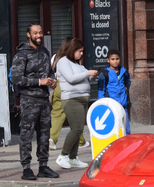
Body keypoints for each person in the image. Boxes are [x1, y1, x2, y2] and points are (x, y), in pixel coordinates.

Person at [10, 23, 60, 180]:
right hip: (29, 101)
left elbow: (50, 72)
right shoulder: (21, 55)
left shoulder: (44, 52)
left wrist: (52, 80)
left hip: (44, 100)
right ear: (28, 35)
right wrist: (40, 82)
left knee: (44, 135)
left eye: (40, 32)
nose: (39, 35)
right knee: (26, 135)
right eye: (35, 33)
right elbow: (17, 78)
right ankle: (26, 168)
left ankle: (43, 166)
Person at [55, 38, 99, 169]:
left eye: (82, 51)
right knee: (77, 129)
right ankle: (63, 156)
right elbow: (71, 78)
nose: (81, 54)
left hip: (81, 99)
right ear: (72, 50)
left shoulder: (78, 64)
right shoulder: (63, 61)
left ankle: (73, 157)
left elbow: (81, 77)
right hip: (71, 99)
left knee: (77, 129)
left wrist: (90, 76)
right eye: (79, 51)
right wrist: (87, 73)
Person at [49, 37, 89, 150]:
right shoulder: (71, 61)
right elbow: (72, 77)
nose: (81, 53)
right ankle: (79, 142)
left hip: (57, 86)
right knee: (76, 117)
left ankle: (52, 138)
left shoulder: (56, 57)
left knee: (57, 114)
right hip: (70, 89)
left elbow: (51, 70)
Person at [97, 49, 132, 134]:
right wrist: (101, 104)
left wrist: (126, 86)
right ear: (108, 60)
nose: (115, 61)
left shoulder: (123, 71)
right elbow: (101, 89)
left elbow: (128, 80)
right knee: (114, 129)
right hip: (112, 106)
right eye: (112, 59)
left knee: (126, 130)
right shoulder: (105, 73)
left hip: (123, 106)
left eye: (117, 59)